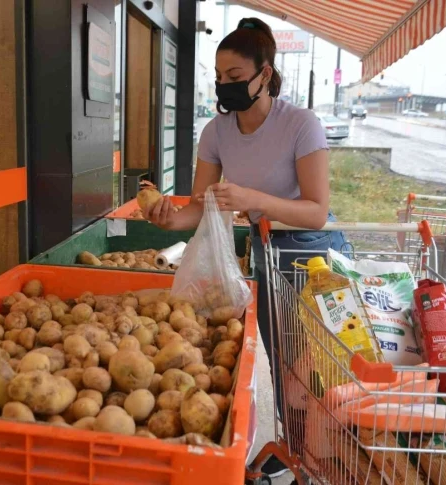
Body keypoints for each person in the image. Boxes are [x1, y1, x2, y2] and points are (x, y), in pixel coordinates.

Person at [145, 17, 345, 479]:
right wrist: (169, 219)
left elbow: (316, 209)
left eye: (235, 78)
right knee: (277, 365)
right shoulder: (216, 132)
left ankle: (320, 459)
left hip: (310, 254)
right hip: (265, 251)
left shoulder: (300, 123)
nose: (225, 87)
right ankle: (288, 454)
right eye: (219, 78)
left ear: (265, 74)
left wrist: (254, 200)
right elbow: (202, 206)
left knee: (313, 372)